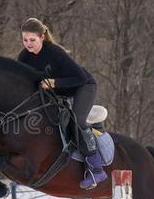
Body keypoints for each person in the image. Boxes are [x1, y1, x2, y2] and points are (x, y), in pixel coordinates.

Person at [17, 17, 106, 189]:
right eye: (25, 40)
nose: (28, 44)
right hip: (58, 94)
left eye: (32, 40)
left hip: (83, 86)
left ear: (42, 37)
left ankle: (95, 168)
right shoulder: (24, 57)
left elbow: (79, 78)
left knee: (77, 122)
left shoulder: (55, 52)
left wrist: (53, 83)